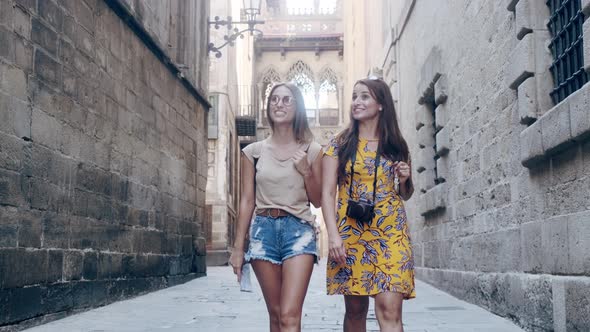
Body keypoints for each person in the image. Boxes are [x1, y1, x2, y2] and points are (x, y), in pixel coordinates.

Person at [322, 78, 415, 332]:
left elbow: (404, 194)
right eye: (354, 96)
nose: (356, 102)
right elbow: (328, 193)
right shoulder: (338, 144)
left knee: (390, 309)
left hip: (391, 235)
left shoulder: (396, 144)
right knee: (355, 312)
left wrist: (405, 179)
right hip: (351, 235)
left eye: (364, 96)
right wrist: (333, 236)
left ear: (381, 104)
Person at [229, 82, 323, 332]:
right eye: (274, 100)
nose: (279, 104)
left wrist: (306, 172)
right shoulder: (253, 152)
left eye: (286, 99)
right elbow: (247, 200)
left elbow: (317, 200)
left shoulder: (312, 151)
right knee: (276, 315)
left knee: (290, 316)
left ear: (298, 107)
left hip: (299, 232)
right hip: (262, 232)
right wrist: (239, 248)